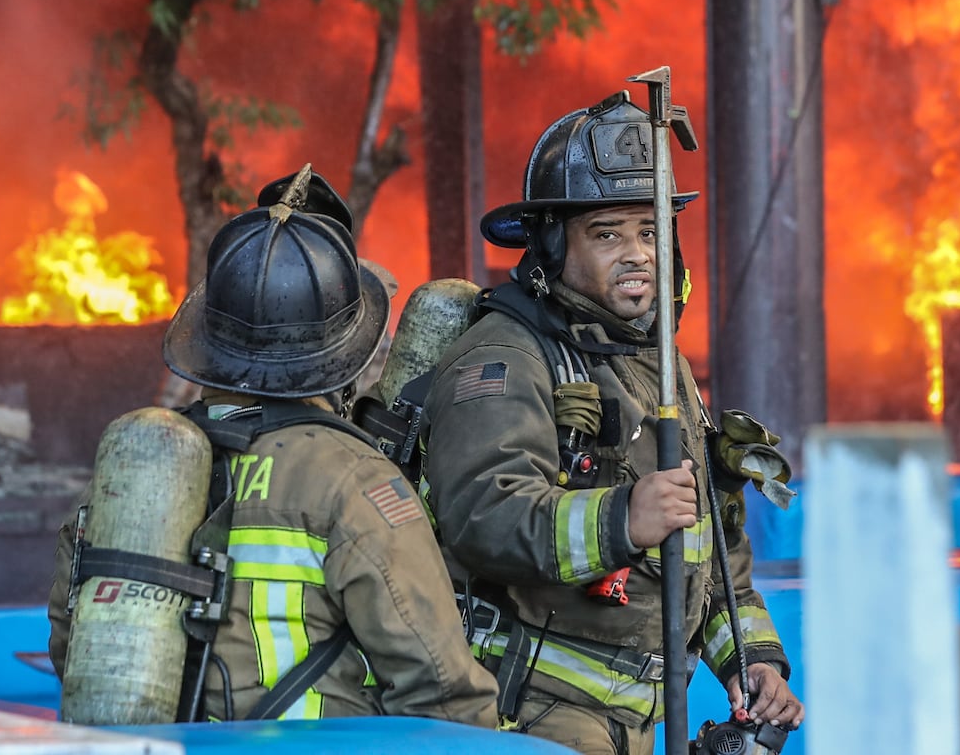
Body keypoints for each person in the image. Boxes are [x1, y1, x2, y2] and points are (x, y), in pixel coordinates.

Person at [421, 92, 805, 754]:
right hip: (531, 717)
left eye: (650, 231)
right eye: (608, 234)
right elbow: (483, 517)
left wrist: (750, 661)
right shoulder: (505, 358)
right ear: (550, 242)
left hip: (633, 724)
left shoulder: (657, 365)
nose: (637, 254)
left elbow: (703, 544)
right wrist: (621, 519)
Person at [48, 167, 497, 726]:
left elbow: (77, 653)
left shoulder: (135, 468)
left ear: (208, 340)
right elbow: (441, 690)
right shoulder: (353, 479)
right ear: (343, 360)